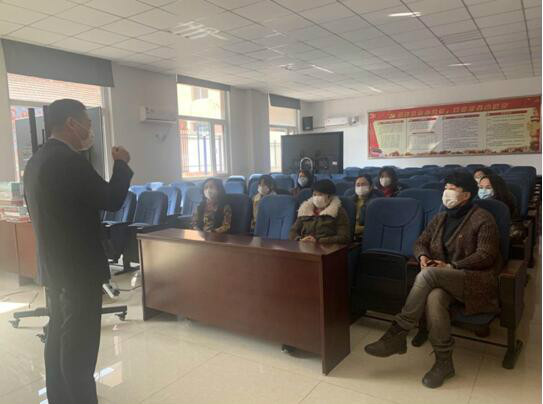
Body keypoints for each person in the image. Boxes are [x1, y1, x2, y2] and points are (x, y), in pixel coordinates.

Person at [23, 99, 133, 404]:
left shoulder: (36, 161)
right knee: (79, 347)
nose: (89, 129)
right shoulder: (69, 161)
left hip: (53, 267)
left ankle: (59, 398)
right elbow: (111, 199)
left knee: (58, 334)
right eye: (87, 122)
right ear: (72, 123)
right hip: (78, 269)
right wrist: (121, 164)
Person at [364, 171, 501, 389]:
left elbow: (486, 255)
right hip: (442, 280)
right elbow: (420, 242)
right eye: (446, 187)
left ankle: (399, 331)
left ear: (466, 194)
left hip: (473, 280)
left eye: (452, 189)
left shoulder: (483, 218)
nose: (446, 192)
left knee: (428, 274)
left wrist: (452, 266)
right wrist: (423, 257)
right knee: (434, 298)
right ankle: (444, 362)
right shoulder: (440, 218)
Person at [289, 179, 351, 244]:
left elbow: (344, 237)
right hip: (304, 245)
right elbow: (293, 231)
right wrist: (300, 239)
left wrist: (318, 241)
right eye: (314, 194)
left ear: (330, 196)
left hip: (326, 247)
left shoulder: (338, 211)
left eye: (320, 195)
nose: (316, 197)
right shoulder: (305, 209)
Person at [351, 174, 381, 240]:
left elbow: (375, 226)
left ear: (371, 187)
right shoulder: (350, 201)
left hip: (365, 236)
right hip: (349, 234)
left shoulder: (376, 203)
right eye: (358, 185)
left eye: (363, 184)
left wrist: (354, 229)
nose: (360, 187)